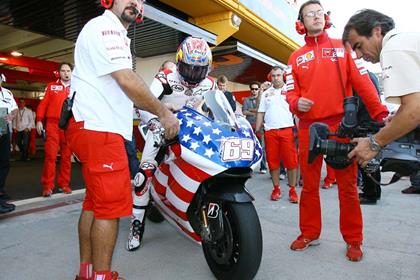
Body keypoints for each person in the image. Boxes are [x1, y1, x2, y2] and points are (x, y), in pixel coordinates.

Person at [67, 1, 179, 279]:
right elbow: (127, 80)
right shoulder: (108, 28)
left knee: (93, 204)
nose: (135, 3)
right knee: (108, 208)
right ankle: (103, 277)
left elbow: (122, 87)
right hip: (100, 129)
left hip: (90, 126)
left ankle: (87, 273)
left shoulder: (105, 29)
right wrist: (164, 113)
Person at [285, 1, 388, 262]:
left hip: (342, 126)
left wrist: (381, 114)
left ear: (326, 17)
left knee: (348, 187)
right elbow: (290, 93)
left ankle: (353, 240)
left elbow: (363, 82)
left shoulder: (344, 49)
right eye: (310, 14)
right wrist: (297, 103)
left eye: (320, 12)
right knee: (308, 186)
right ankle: (309, 233)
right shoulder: (295, 57)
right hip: (309, 127)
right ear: (301, 22)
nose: (316, 17)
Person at [127, 36, 216, 251]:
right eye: (189, 68)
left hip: (195, 134)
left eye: (199, 70)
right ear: (179, 62)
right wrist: (156, 125)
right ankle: (136, 223)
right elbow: (142, 104)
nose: (194, 75)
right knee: (143, 175)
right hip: (162, 130)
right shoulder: (165, 78)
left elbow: (218, 107)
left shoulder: (211, 83)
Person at [342, 9, 420, 165]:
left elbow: (414, 110)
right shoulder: (405, 42)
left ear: (377, 31)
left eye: (359, 45)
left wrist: (373, 143)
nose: (357, 55)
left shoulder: (392, 48)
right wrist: (399, 115)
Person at [256, 66, 299, 203]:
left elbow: (298, 112)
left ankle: (292, 190)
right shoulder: (266, 93)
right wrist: (257, 129)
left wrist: (300, 129)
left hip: (287, 130)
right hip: (270, 131)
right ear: (270, 77)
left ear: (283, 76)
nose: (276, 78)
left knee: (291, 162)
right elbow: (261, 112)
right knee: (273, 162)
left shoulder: (291, 91)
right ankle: (276, 189)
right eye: (273, 75)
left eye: (278, 75)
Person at [36, 63, 74, 197]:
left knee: (66, 157)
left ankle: (64, 184)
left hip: (69, 126)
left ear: (71, 72)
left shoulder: (77, 88)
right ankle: (47, 186)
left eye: (68, 71)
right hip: (53, 125)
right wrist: (39, 120)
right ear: (59, 73)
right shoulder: (51, 86)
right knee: (50, 156)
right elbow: (44, 104)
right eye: (63, 71)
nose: (66, 73)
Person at [0, 73, 17, 212]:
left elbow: (14, 108)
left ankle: (0, 191)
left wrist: (11, 115)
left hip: (4, 126)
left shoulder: (7, 93)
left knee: (4, 161)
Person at [242, 81, 267, 174]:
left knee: (261, 146)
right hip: (249, 125)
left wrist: (251, 110)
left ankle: (263, 167)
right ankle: (249, 168)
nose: (254, 91)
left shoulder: (263, 99)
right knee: (250, 147)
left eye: (256, 89)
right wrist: (256, 112)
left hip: (260, 125)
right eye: (252, 89)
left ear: (259, 89)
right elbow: (244, 112)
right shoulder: (246, 100)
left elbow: (262, 111)